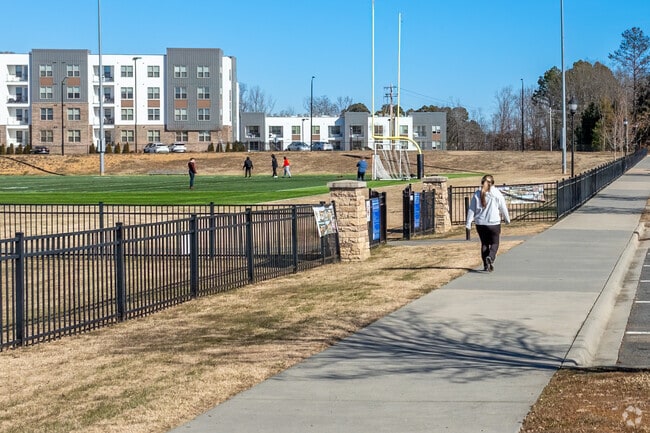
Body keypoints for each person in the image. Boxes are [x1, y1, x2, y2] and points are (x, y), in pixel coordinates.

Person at [465, 174, 510, 272]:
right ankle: (491, 257)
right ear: (493, 183)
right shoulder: (497, 193)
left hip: (480, 224)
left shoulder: (477, 194)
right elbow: (503, 207)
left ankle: (486, 265)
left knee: (484, 244)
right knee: (495, 242)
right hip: (494, 223)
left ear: (482, 183)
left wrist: (468, 223)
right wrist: (507, 219)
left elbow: (471, 209)